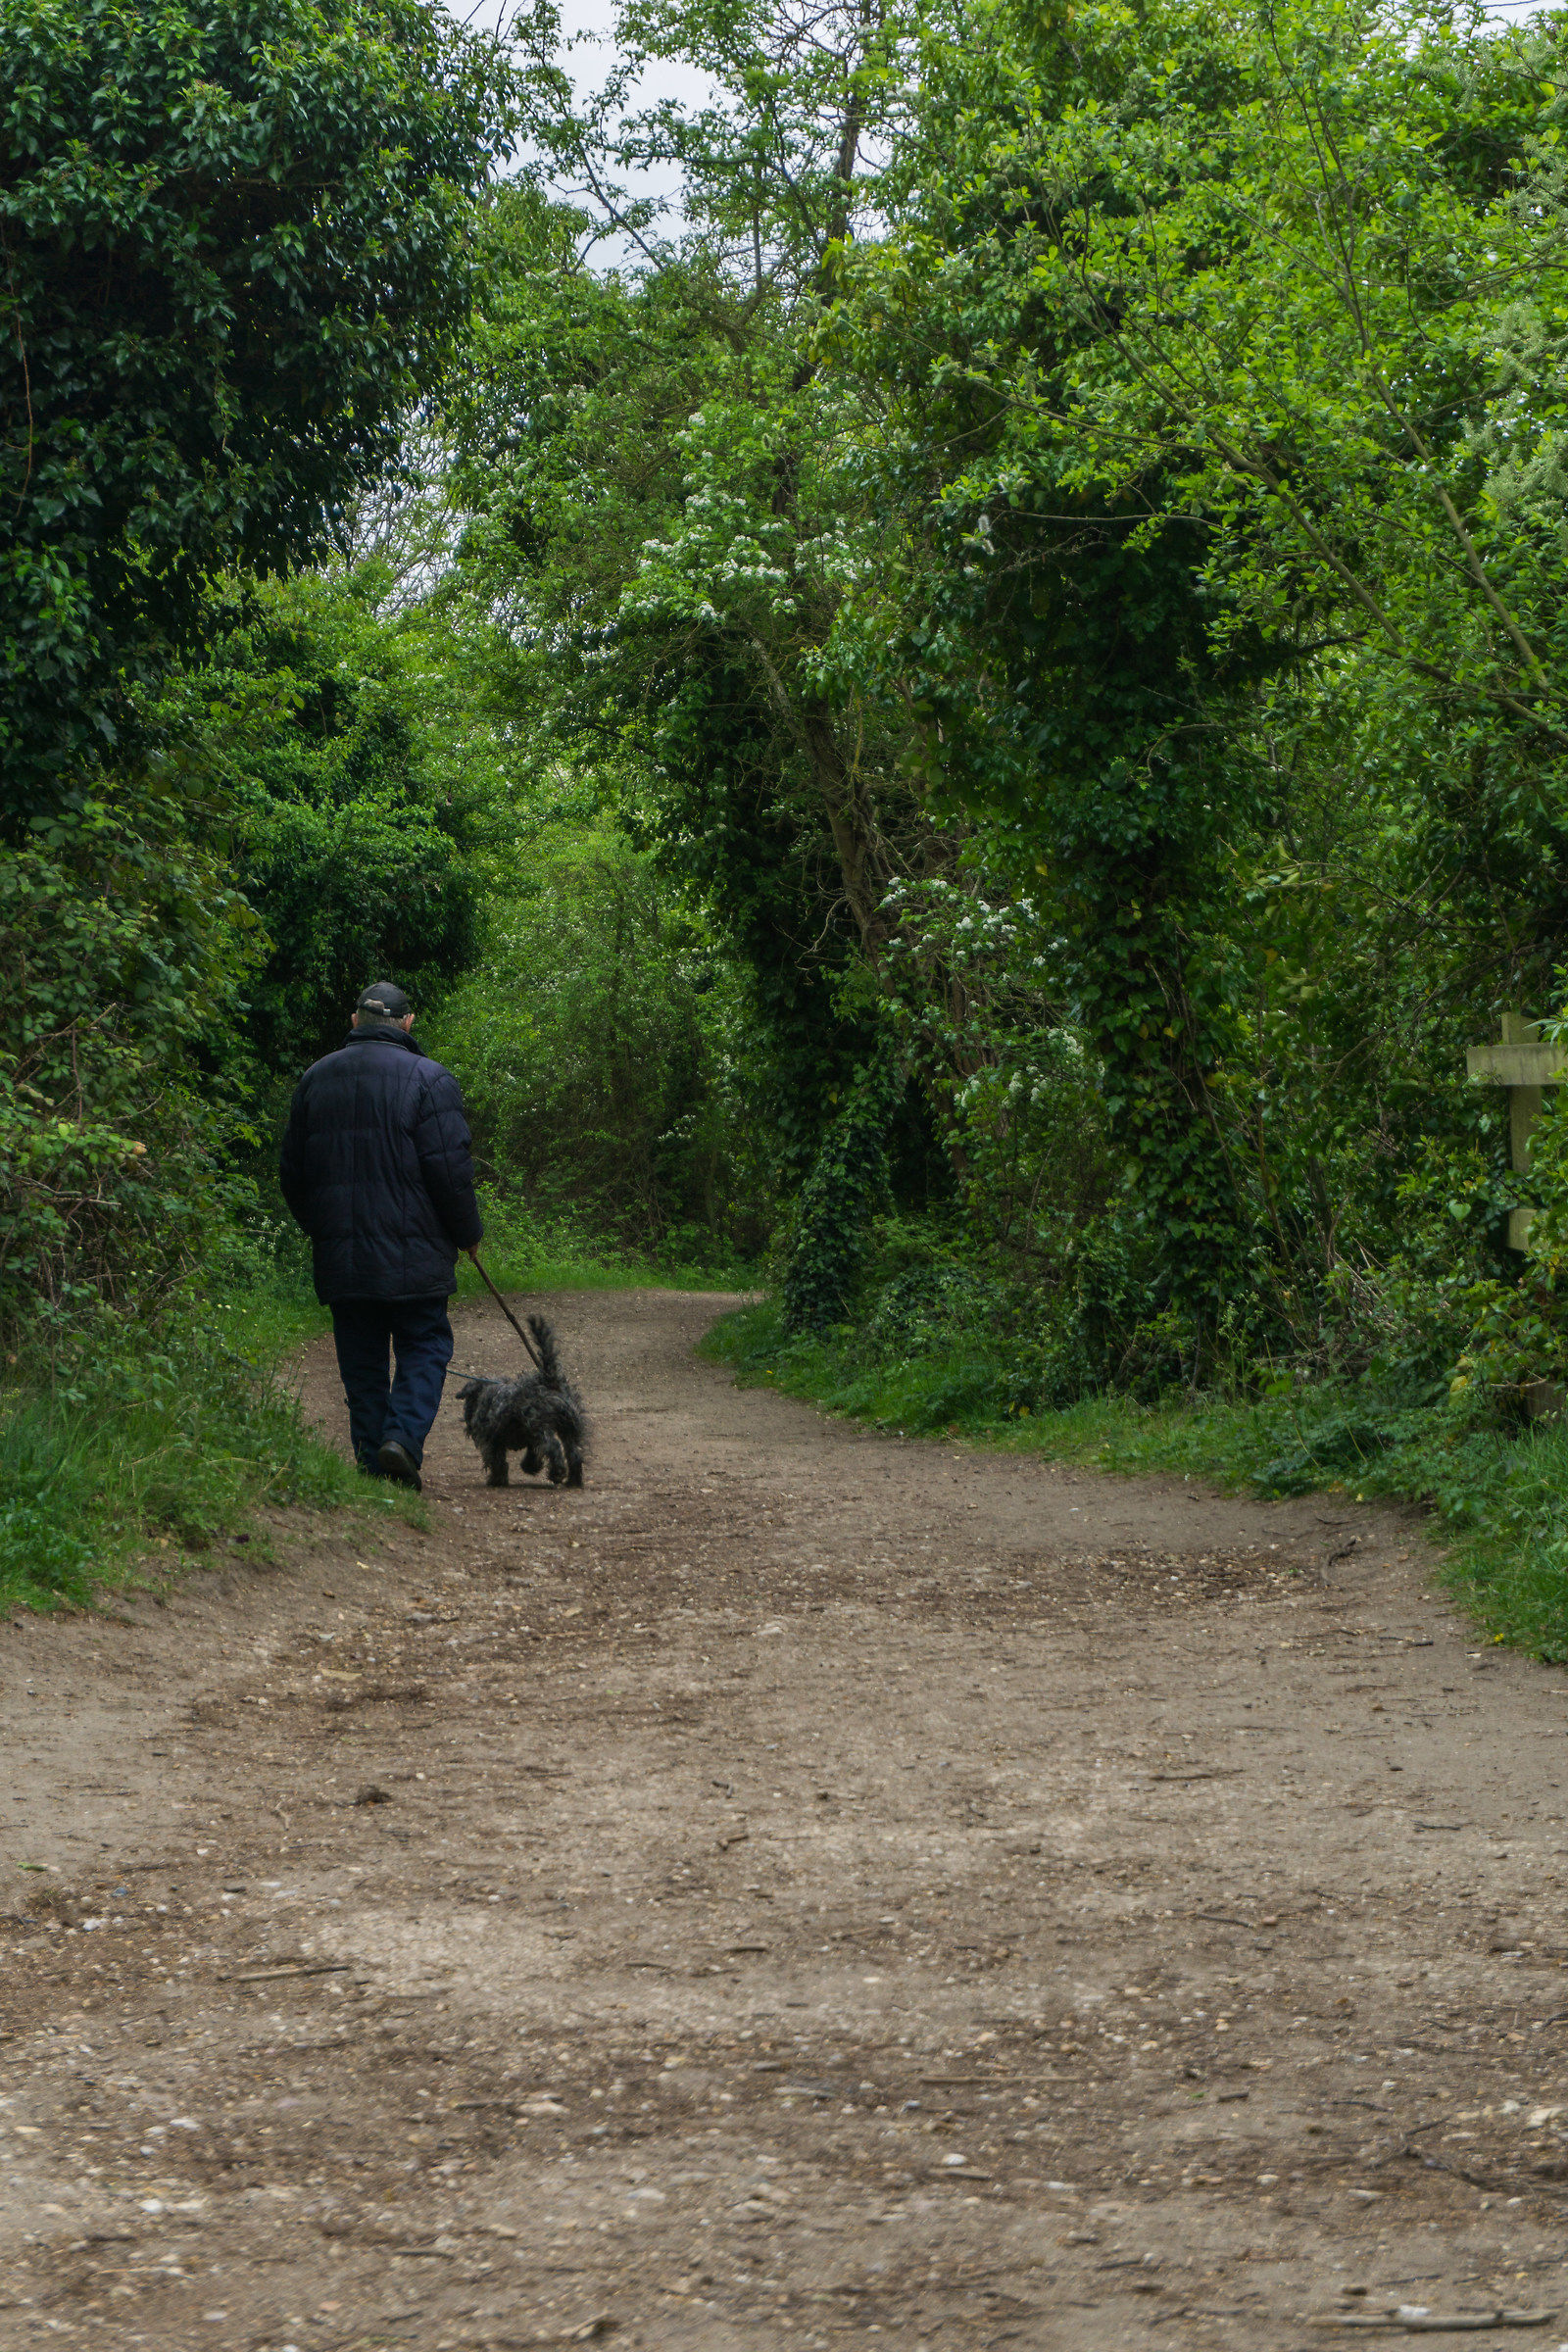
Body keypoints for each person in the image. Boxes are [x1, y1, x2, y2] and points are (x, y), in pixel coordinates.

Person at [279, 981, 482, 1493]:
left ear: (354, 1022)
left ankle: (374, 1468)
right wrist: (467, 1234)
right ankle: (402, 1442)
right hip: (416, 1255)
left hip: (344, 1257)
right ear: (408, 1025)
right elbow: (450, 1172)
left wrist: (327, 1230)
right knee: (426, 1343)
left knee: (361, 1360)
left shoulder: (314, 1080)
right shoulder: (431, 1080)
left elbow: (293, 1176)